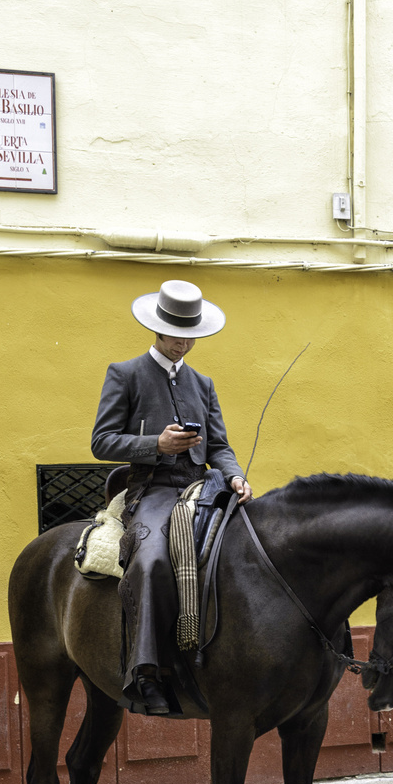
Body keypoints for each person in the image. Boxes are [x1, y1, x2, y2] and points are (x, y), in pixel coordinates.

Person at [91, 279, 252, 715]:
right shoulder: (125, 374)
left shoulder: (203, 383)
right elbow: (101, 442)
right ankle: (145, 671)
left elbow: (218, 445)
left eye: (191, 337)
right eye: (177, 335)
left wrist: (235, 476)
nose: (184, 344)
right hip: (154, 488)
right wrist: (155, 446)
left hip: (203, 485)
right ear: (158, 330)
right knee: (153, 559)